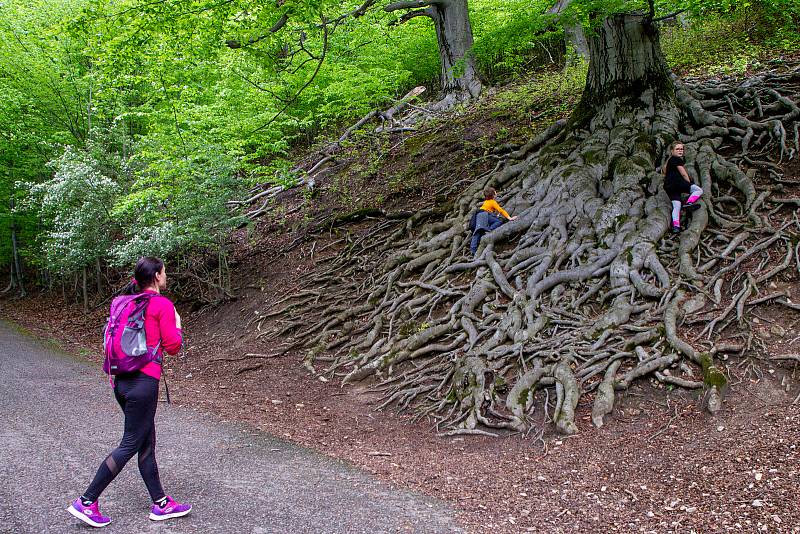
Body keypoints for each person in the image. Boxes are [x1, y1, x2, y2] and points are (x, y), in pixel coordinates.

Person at [67, 257, 191, 528]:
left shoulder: (121, 301)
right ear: (157, 276)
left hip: (121, 383)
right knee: (131, 442)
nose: (166, 276)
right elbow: (172, 346)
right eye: (165, 272)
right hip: (143, 384)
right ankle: (87, 501)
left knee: (145, 440)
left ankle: (160, 503)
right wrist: (178, 325)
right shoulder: (162, 305)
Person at [662, 143, 703, 234]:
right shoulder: (676, 159)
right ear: (672, 151)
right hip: (678, 182)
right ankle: (689, 203)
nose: (680, 150)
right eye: (677, 149)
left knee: (676, 206)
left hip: (668, 187)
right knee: (699, 190)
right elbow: (683, 173)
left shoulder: (668, 162)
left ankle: (676, 227)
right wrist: (688, 183)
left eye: (681, 149)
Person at [470, 186, 517, 254]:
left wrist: (495, 215)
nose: (496, 192)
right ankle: (489, 229)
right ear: (493, 194)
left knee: (477, 232)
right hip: (485, 215)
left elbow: (489, 210)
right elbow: (501, 210)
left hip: (478, 215)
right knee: (499, 221)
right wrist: (509, 218)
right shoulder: (492, 202)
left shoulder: (486, 202)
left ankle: (473, 250)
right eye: (495, 192)